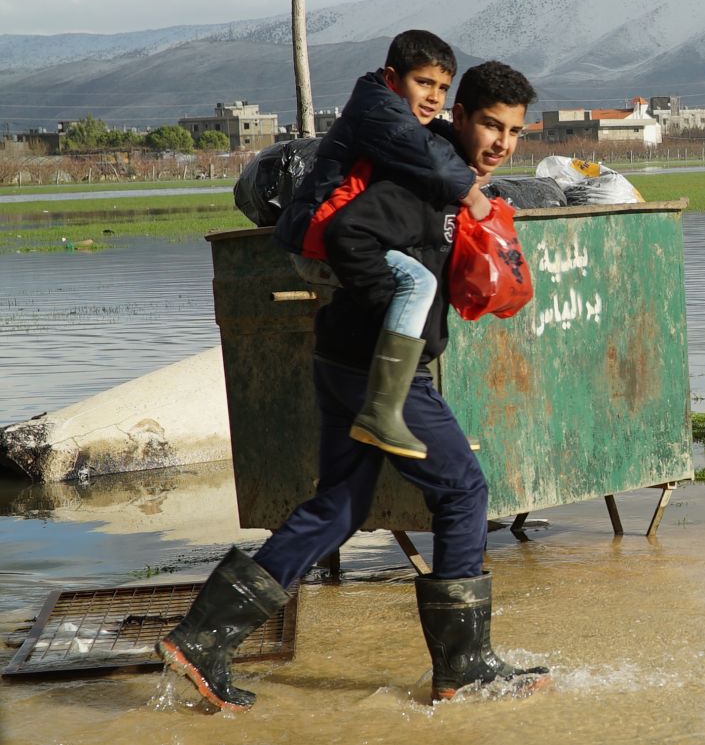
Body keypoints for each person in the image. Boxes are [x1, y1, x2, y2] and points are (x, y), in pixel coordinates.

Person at [158, 60, 545, 712]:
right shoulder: (425, 179)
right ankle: (464, 664)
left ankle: (200, 639)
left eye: (514, 131)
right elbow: (347, 232)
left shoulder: (449, 182)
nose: (502, 142)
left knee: (337, 508)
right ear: (460, 119)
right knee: (462, 490)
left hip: (339, 361)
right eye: (489, 125)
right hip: (378, 370)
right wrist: (386, 303)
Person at [274, 29, 493, 461]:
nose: (434, 97)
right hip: (320, 238)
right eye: (423, 83)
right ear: (393, 78)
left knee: (415, 305)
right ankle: (383, 412)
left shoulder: (398, 110)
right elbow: (427, 156)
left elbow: (437, 142)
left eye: (443, 88)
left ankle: (418, 422)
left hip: (354, 239)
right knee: (417, 286)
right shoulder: (378, 109)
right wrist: (471, 189)